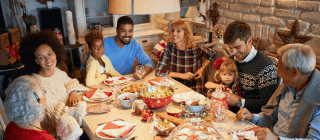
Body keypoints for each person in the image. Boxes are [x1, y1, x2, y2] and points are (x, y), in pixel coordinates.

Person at [18, 30, 111, 135]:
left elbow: (71, 81)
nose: (48, 60)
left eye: (49, 54)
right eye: (41, 57)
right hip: (60, 133)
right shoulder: (38, 85)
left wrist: (72, 92)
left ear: (55, 53)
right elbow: (58, 116)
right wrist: (88, 109)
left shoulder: (56, 72)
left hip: (73, 122)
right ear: (36, 61)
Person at [236, 44, 320, 140]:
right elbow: (271, 116)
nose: (277, 72)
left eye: (279, 68)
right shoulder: (287, 86)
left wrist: (276, 139)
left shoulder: (317, 99)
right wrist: (252, 117)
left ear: (294, 72)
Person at [223, 21, 278, 113]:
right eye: (230, 48)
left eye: (237, 47)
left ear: (249, 41)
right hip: (230, 113)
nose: (234, 52)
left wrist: (239, 102)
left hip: (252, 119)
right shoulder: (232, 59)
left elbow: (268, 105)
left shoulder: (265, 66)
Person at [80, 16, 154, 79]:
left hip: (124, 82)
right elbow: (84, 66)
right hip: (105, 83)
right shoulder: (103, 44)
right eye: (123, 31)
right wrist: (88, 80)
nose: (127, 35)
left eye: (130, 31)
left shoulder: (135, 44)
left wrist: (144, 71)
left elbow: (149, 62)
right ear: (117, 30)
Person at [156, 19, 216, 95]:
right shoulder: (169, 47)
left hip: (193, 89)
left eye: (178, 31)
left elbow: (212, 54)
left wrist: (201, 69)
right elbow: (158, 71)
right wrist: (182, 75)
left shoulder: (194, 48)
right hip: (176, 87)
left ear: (186, 33)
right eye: (172, 30)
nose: (174, 34)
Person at [4, 75, 56, 140]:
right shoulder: (46, 138)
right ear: (40, 102)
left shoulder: (11, 127)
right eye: (43, 92)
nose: (44, 95)